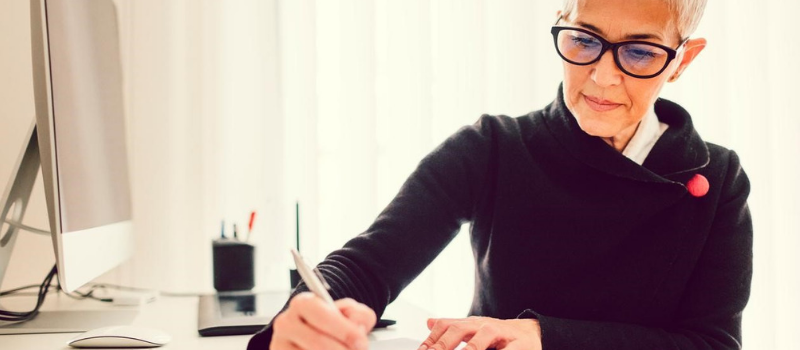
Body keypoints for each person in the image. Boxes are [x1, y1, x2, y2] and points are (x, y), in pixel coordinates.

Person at [249, 0, 753, 349]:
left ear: (682, 59)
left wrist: (542, 337)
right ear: (562, 23)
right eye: (582, 41)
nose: (602, 76)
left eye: (640, 52)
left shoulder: (719, 179)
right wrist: (299, 327)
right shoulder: (494, 148)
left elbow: (711, 343)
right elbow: (368, 267)